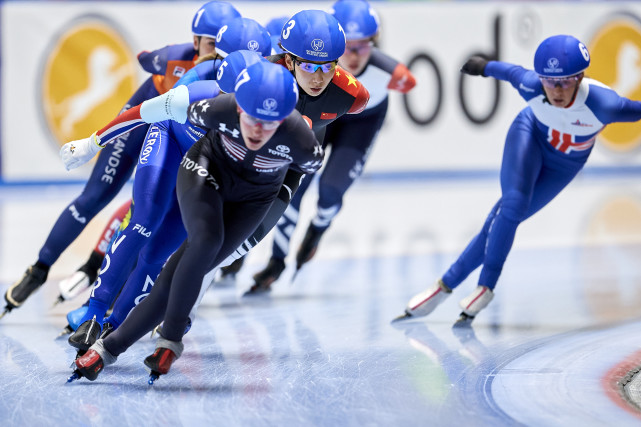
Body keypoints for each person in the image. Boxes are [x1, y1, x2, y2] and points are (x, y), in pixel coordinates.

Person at [70, 61, 324, 383]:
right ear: (237, 105)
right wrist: (93, 142)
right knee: (205, 241)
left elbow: (296, 180)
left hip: (254, 197)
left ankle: (109, 348)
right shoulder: (213, 108)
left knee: (186, 268)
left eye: (270, 123)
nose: (258, 130)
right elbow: (146, 112)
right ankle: (171, 341)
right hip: (207, 170)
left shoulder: (304, 143)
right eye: (251, 118)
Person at [1, 0, 241, 318]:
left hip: (177, 137)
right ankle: (39, 268)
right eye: (211, 44)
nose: (219, 54)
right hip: (141, 125)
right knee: (95, 196)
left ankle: (98, 279)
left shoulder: (230, 76)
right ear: (195, 41)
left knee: (149, 211)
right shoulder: (174, 59)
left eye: (226, 46)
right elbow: (144, 59)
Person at [395, 34, 641, 325]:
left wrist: (485, 66)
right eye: (549, 81)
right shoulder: (531, 86)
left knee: (501, 220)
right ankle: (484, 288)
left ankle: (443, 287)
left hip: (564, 164)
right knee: (511, 206)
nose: (557, 90)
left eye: (565, 81)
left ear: (580, 77)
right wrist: (482, 67)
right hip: (529, 136)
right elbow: (510, 71)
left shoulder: (605, 105)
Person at [62, 20, 272, 350]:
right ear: (222, 64)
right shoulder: (196, 89)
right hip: (169, 143)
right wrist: (92, 143)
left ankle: (113, 325)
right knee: (145, 221)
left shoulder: (265, 105)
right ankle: (95, 311)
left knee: (159, 253)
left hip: (199, 165)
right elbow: (140, 113)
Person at [240, 0, 415, 294]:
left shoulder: (391, 73)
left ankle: (317, 229)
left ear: (375, 44)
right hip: (324, 118)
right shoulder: (311, 66)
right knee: (293, 189)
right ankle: (276, 261)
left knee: (331, 191)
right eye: (349, 46)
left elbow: (409, 83)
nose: (355, 55)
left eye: (364, 46)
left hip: (361, 123)